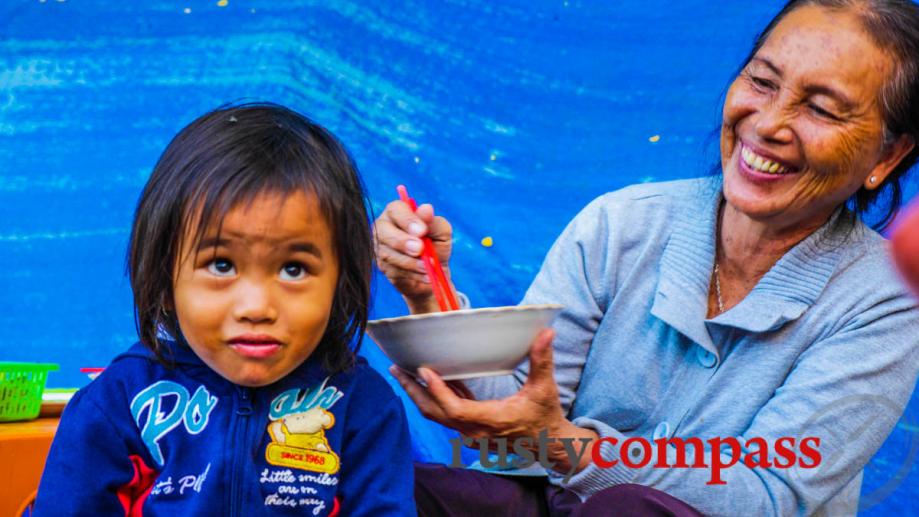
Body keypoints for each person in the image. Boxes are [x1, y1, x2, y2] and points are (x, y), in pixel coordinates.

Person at [373, 0, 919, 515]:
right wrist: (428, 292)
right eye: (761, 80)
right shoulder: (621, 225)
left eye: (821, 109)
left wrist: (566, 445)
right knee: (400, 489)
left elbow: (763, 494)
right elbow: (523, 413)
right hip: (569, 503)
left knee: (628, 509)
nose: (769, 123)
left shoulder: (886, 297)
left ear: (889, 154)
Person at [33, 103, 415, 516]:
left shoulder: (364, 407)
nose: (256, 307)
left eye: (293, 269)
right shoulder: (119, 402)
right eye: (221, 265)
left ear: (340, 285)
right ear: (165, 280)